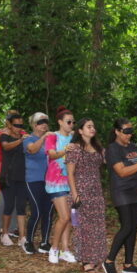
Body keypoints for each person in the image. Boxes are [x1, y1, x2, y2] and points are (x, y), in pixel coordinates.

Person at [102, 118, 137, 273]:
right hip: (121, 191)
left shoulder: (133, 147)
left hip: (135, 190)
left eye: (131, 131)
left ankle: (128, 264)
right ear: (117, 131)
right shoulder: (112, 149)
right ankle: (109, 261)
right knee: (127, 226)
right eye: (126, 131)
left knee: (133, 228)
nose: (129, 135)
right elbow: (121, 171)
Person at [65, 118, 107, 272]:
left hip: (96, 191)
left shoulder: (98, 149)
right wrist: (75, 194)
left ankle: (97, 257)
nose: (92, 129)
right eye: (89, 126)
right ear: (80, 131)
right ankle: (85, 260)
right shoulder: (74, 149)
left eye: (93, 126)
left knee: (97, 226)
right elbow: (70, 173)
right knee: (83, 227)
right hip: (80, 192)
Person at [44, 107, 77, 264]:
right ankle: (54, 248)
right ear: (60, 122)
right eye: (68, 122)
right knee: (63, 217)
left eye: (73, 122)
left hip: (70, 181)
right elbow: (51, 155)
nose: (71, 124)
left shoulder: (74, 138)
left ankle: (65, 250)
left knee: (69, 218)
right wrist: (65, 149)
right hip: (55, 182)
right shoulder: (52, 137)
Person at [22, 112, 54, 255]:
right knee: (37, 211)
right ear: (34, 125)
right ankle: (28, 241)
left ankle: (44, 242)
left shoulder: (50, 140)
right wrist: (43, 138)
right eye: (41, 122)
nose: (44, 124)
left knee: (48, 211)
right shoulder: (28, 139)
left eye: (46, 121)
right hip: (33, 179)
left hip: (49, 180)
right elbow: (32, 150)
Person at [0, 113, 28, 248]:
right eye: (16, 125)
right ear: (9, 124)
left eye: (21, 125)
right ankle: (4, 233)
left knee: (21, 207)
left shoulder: (24, 136)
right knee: (9, 205)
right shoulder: (4, 135)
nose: (18, 128)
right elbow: (6, 147)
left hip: (22, 177)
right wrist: (21, 140)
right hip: (7, 177)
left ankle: (22, 236)